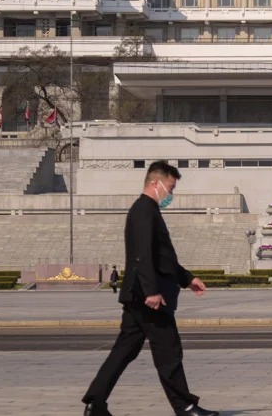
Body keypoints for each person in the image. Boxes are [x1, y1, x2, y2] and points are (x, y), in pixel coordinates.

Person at [82, 161, 218, 416]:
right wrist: (152, 292)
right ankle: (185, 406)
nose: (171, 194)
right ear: (155, 183)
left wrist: (187, 279)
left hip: (138, 295)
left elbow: (162, 257)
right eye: (170, 188)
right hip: (149, 298)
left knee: (124, 351)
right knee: (169, 351)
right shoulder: (144, 210)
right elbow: (142, 256)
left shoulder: (148, 210)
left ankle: (96, 403)